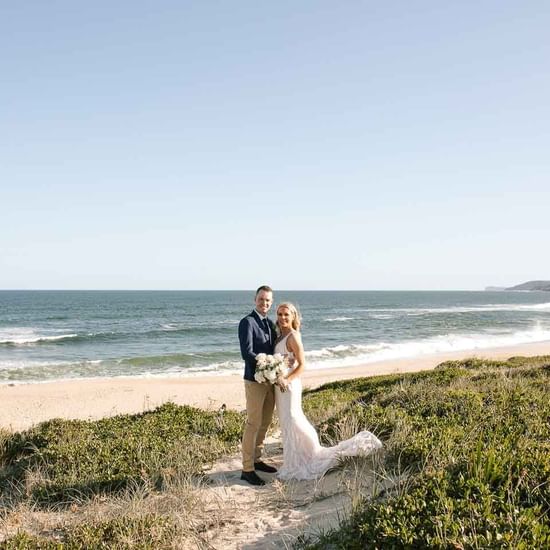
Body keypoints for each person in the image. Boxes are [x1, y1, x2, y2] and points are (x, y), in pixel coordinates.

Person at [274, 302, 383, 480]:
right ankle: (293, 459)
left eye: (286, 314)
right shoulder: (280, 336)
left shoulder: (293, 336)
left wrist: (287, 379)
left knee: (294, 418)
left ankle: (312, 450)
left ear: (293, 316)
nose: (282, 317)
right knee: (286, 421)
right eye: (279, 314)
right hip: (280, 387)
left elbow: (302, 365)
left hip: (290, 386)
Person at [238, 285, 278, 486]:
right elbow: (247, 353)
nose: (265, 303)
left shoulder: (270, 324)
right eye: (262, 299)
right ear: (255, 299)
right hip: (254, 381)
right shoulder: (247, 322)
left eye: (268, 301)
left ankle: (257, 458)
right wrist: (267, 363)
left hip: (270, 381)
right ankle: (247, 469)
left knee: (265, 421)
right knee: (253, 423)